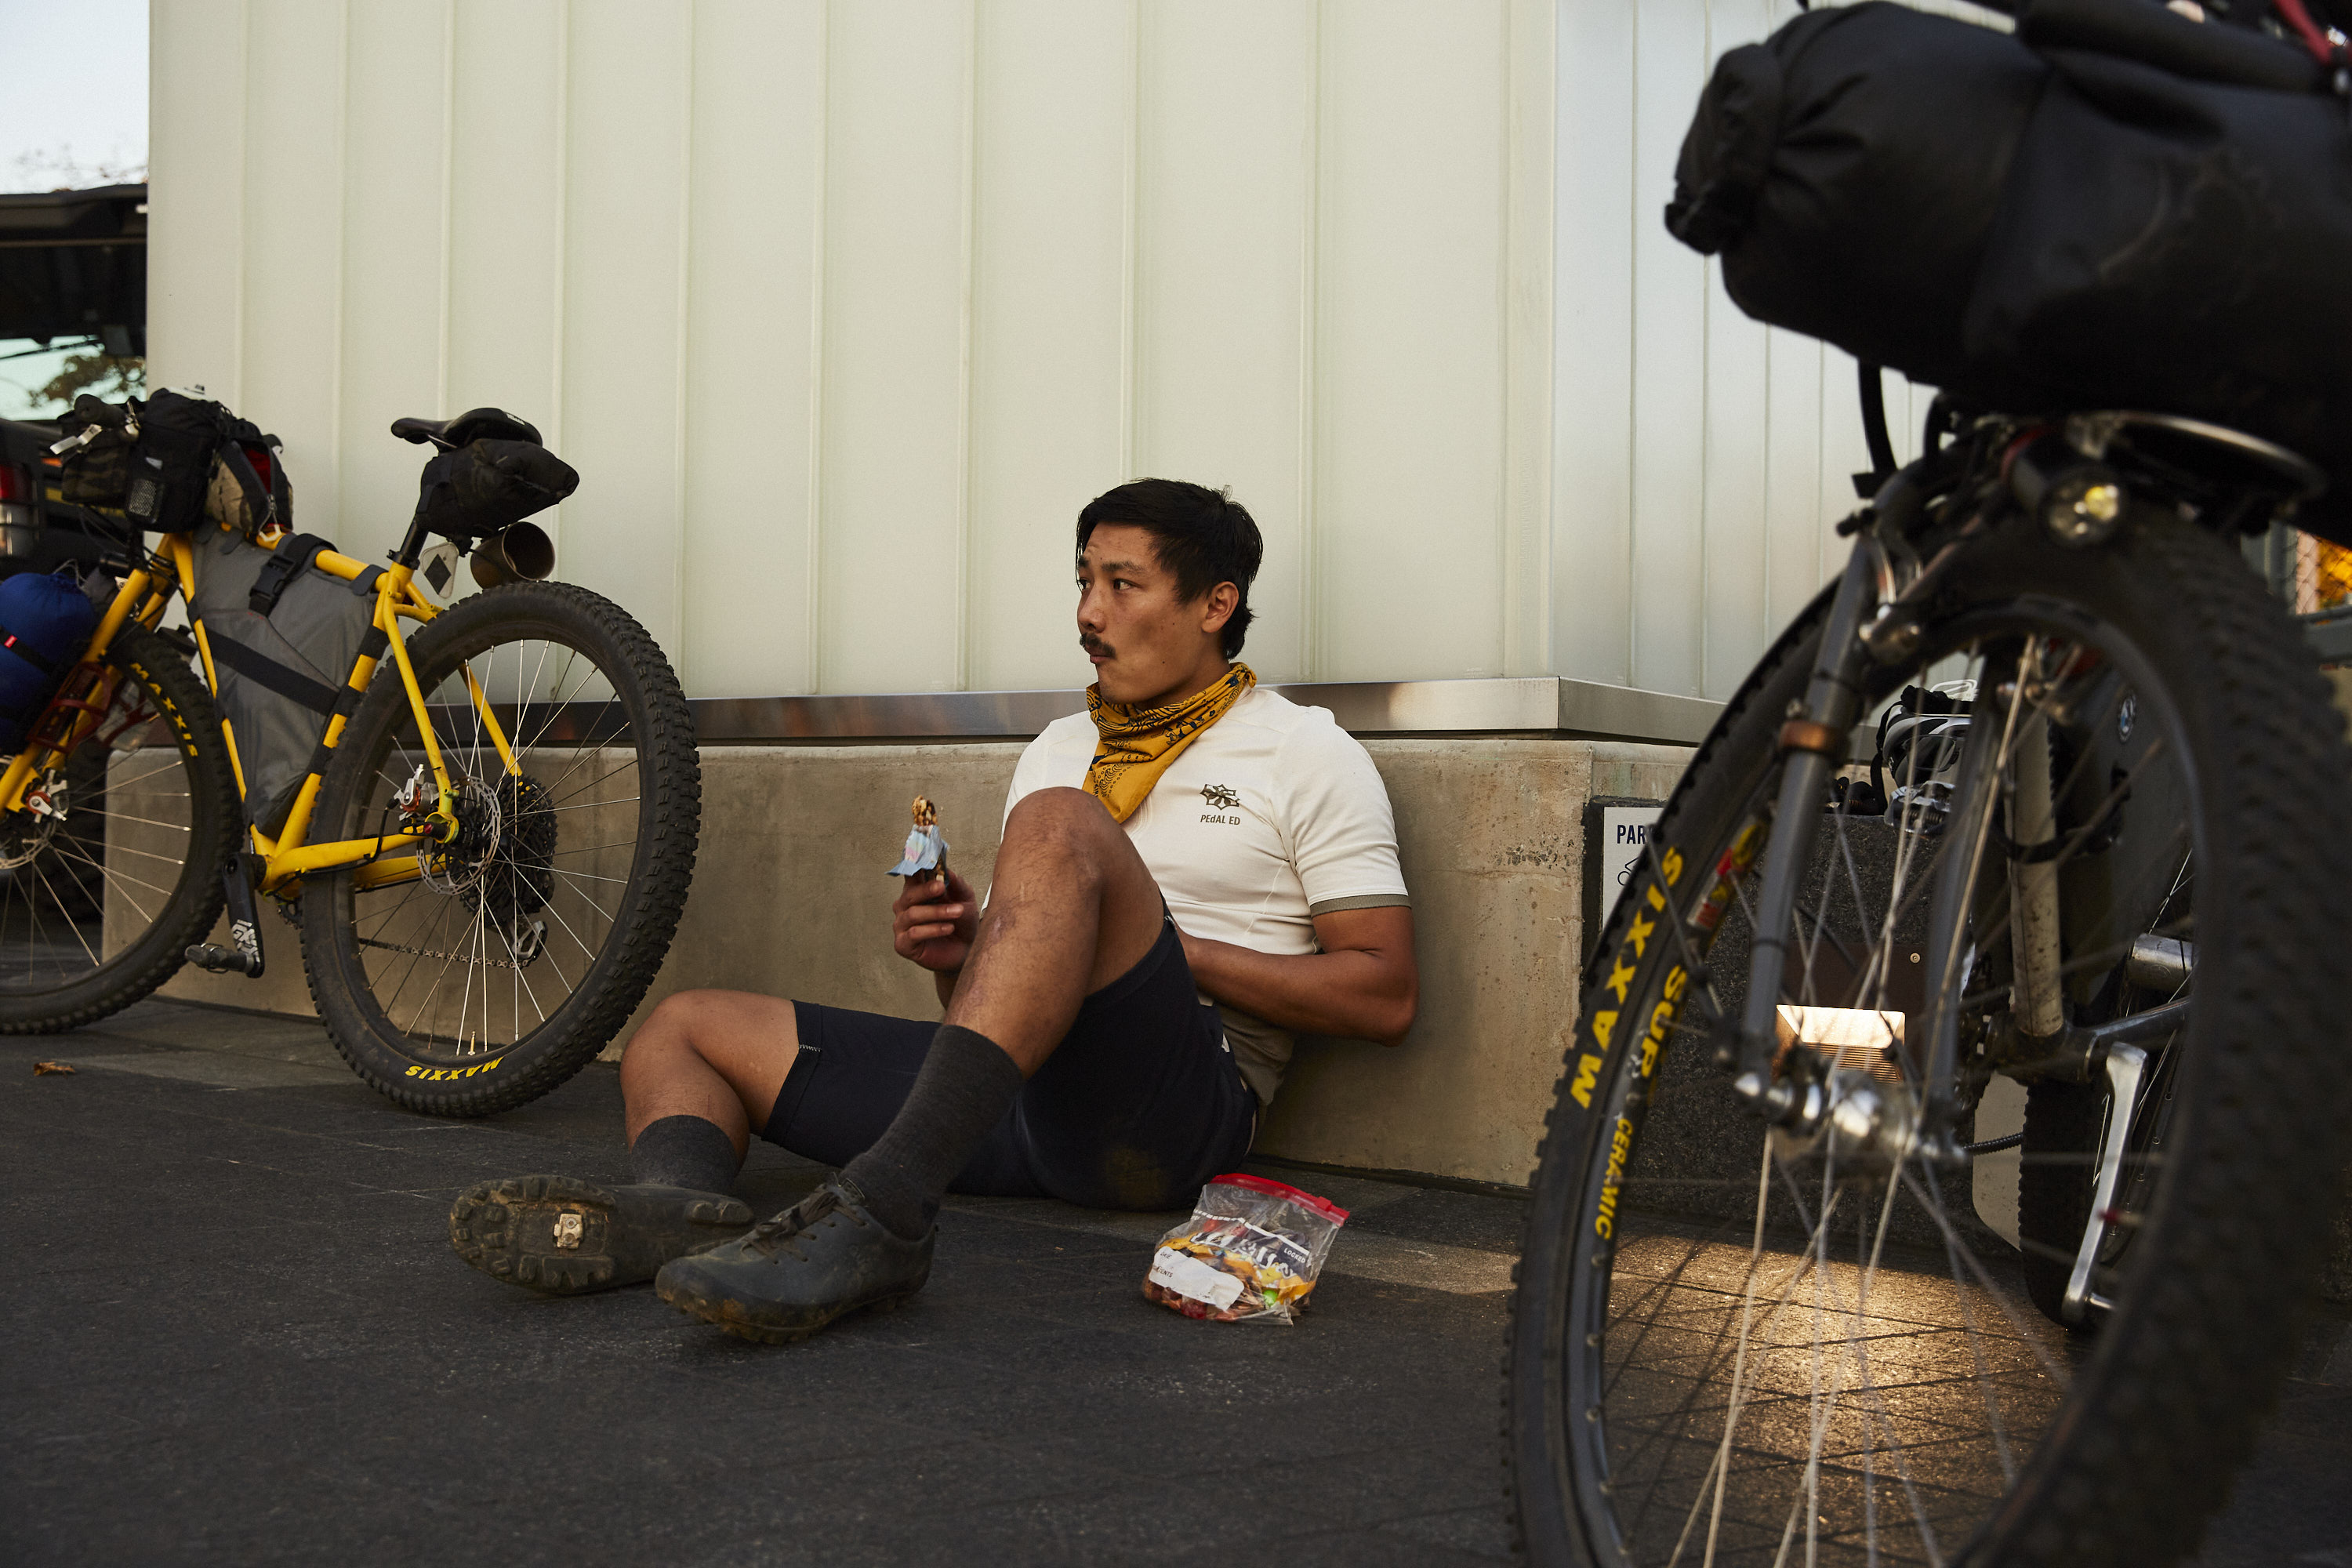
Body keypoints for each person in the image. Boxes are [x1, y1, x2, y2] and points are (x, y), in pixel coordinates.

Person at [448, 478, 1417, 1342]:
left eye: (1123, 585)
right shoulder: (1059, 746)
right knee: (686, 1026)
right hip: (1022, 1099)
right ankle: (670, 1207)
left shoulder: (1303, 752)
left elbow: (1383, 995)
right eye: (1082, 580)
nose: (1089, 611)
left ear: (1217, 603)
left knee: (1063, 824)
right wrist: (953, 950)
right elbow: (991, 1003)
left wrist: (1170, 947)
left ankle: (886, 1213)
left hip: (1171, 1112)